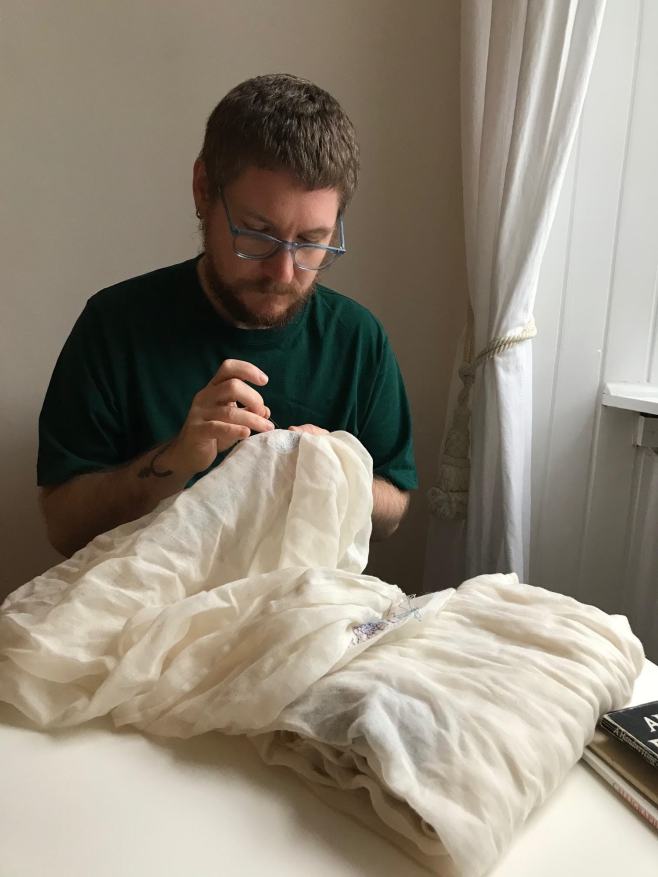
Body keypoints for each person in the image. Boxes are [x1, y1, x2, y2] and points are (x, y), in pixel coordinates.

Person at [38, 73, 417, 558]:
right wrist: (174, 461)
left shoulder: (357, 338)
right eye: (258, 233)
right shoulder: (116, 325)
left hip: (300, 605)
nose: (283, 271)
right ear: (203, 190)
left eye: (311, 241)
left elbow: (394, 509)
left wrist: (335, 468)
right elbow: (63, 528)